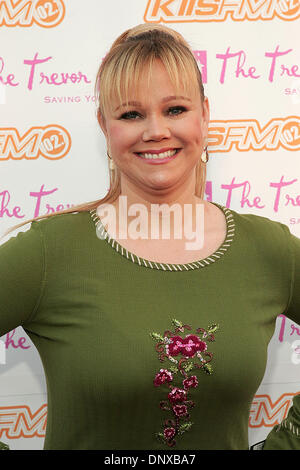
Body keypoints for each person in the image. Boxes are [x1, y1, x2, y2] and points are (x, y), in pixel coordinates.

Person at [0, 23, 300, 451]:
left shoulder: (268, 249)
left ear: (205, 114)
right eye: (131, 114)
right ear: (105, 127)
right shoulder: (50, 251)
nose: (156, 130)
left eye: (175, 109)